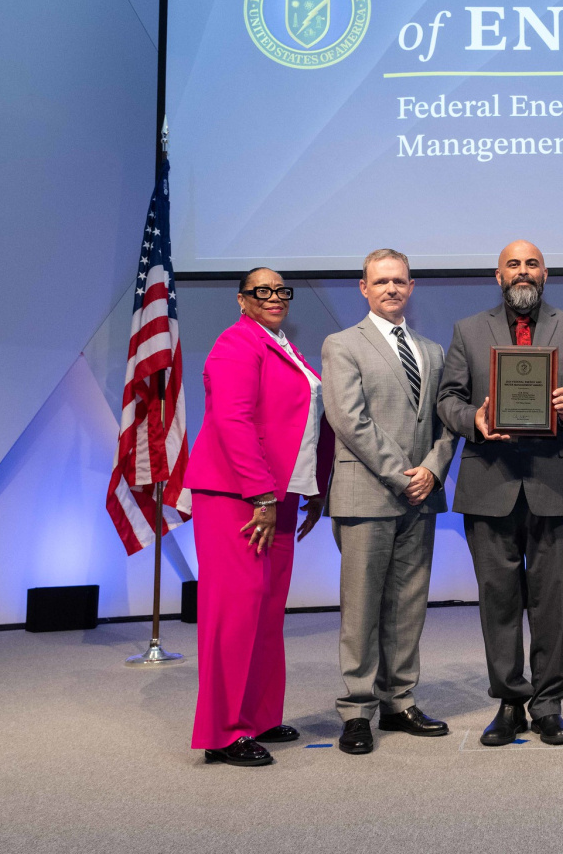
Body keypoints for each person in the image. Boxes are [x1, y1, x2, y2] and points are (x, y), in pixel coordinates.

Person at [437, 240, 563, 746]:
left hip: (555, 483)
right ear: (498, 276)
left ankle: (549, 704)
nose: (522, 271)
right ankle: (510, 702)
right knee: (498, 600)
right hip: (488, 482)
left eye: (531, 264)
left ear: (545, 274)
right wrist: (475, 419)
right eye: (512, 264)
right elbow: (447, 399)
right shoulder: (468, 330)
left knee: (553, 602)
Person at [184, 268, 333, 766]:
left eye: (281, 291)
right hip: (239, 497)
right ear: (242, 299)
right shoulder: (235, 344)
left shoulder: (282, 346)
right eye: (261, 291)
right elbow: (233, 421)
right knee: (233, 614)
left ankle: (261, 716)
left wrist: (313, 486)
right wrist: (262, 497)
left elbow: (305, 423)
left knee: (266, 612)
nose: (274, 297)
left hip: (280, 494)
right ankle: (223, 732)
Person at [321, 249, 458, 755]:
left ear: (411, 286)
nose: (391, 289)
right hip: (368, 494)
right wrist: (403, 476)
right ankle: (357, 711)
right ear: (364, 288)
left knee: (408, 606)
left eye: (399, 281)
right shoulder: (342, 344)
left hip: (421, 496)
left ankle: (399, 702)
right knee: (361, 609)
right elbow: (348, 419)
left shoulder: (433, 350)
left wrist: (434, 469)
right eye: (381, 282)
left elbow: (448, 419)